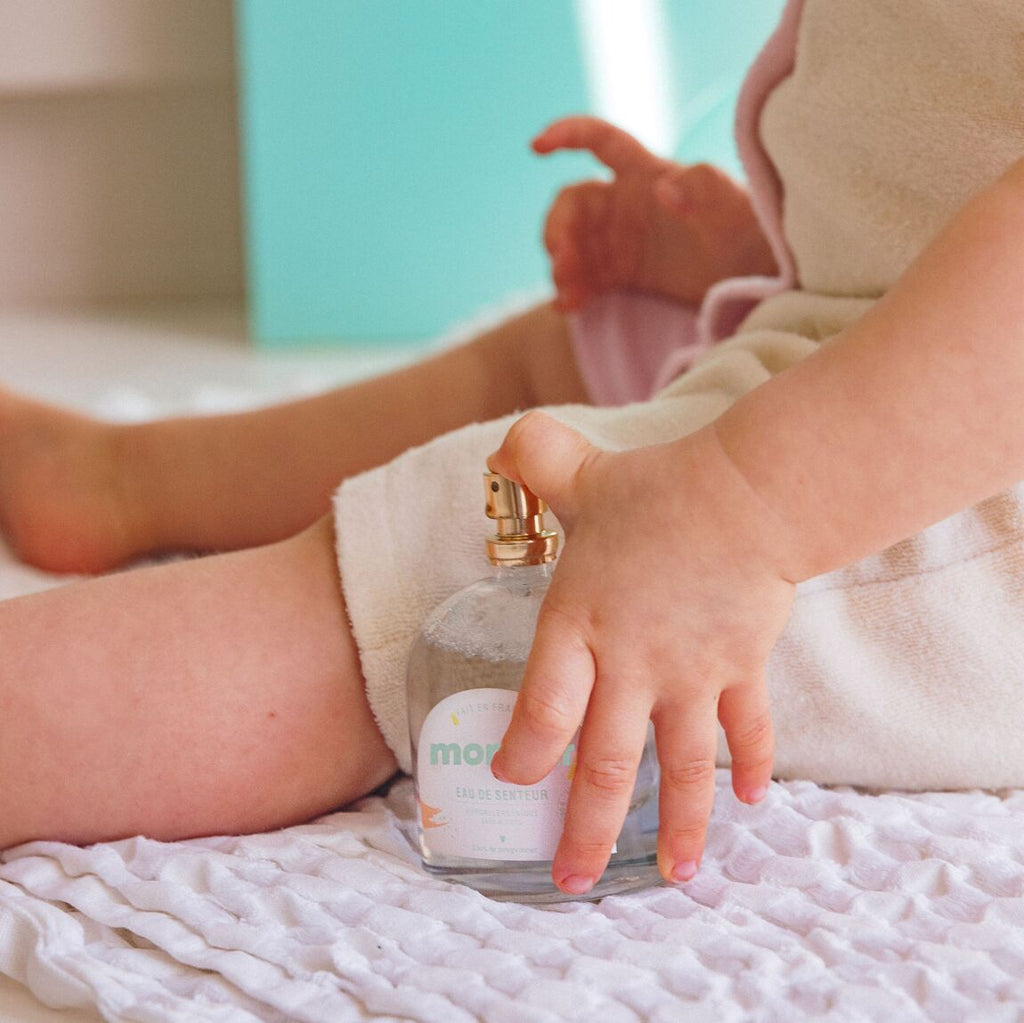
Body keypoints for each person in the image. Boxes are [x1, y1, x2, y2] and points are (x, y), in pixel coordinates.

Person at [3, 0, 1024, 900]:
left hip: (962, 486)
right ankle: (122, 480)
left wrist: (736, 514)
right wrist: (762, 252)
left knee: (500, 558)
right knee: (583, 349)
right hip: (912, 344)